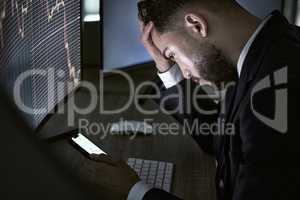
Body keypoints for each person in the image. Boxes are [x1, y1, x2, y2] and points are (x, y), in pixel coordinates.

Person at [86, 0, 300, 199]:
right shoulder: (268, 55)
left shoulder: (275, 90)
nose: (185, 73)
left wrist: (136, 192)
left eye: (172, 55)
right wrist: (166, 66)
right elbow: (222, 140)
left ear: (196, 25)